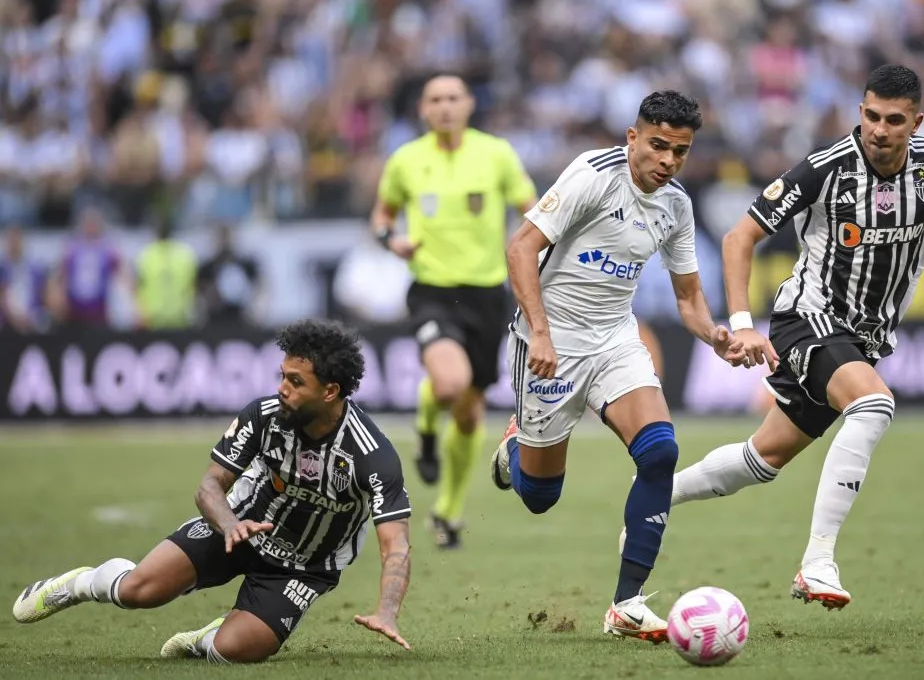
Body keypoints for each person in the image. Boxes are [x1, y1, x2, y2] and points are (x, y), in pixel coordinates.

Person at [651, 64, 924, 609]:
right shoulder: (825, 168)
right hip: (807, 318)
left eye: (894, 120)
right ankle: (818, 562)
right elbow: (741, 236)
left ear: (917, 121)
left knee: (761, 459)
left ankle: (653, 498)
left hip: (864, 336)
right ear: (860, 112)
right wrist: (743, 325)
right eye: (871, 116)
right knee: (874, 403)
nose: (879, 130)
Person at [490, 90, 745, 643]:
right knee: (540, 498)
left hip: (615, 339)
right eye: (658, 146)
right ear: (633, 138)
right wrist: (540, 331)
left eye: (679, 152)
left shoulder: (676, 204)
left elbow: (689, 301)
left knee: (660, 452)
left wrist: (716, 336)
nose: (667, 162)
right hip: (551, 341)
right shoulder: (592, 174)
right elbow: (520, 249)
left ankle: (626, 604)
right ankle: (514, 447)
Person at [12, 319, 414, 662]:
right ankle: (81, 583)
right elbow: (209, 485)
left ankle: (207, 638)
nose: (282, 388)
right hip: (233, 529)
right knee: (138, 591)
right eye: (282, 375)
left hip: (304, 567)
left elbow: (395, 546)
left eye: (295, 381)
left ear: (330, 391)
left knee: (233, 651)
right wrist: (229, 524)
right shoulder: (264, 416)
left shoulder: (371, 455)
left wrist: (388, 611)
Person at [371, 73, 536, 549]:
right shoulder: (406, 160)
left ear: (468, 105)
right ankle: (425, 429)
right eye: (435, 99)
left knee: (468, 413)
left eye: (452, 98)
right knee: (448, 382)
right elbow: (381, 217)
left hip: (486, 296)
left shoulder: (497, 154)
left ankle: (448, 511)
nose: (444, 106)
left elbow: (533, 209)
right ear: (423, 110)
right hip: (432, 292)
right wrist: (392, 240)